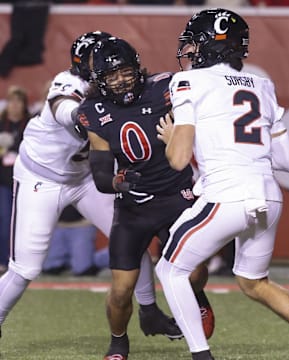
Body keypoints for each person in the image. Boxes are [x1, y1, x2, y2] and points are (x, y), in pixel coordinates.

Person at [155, 8, 289, 360]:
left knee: (169, 269)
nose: (191, 51)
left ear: (210, 44)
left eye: (195, 44)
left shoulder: (188, 82)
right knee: (253, 282)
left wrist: (173, 138)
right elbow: (286, 160)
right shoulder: (263, 85)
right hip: (269, 196)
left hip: (227, 193)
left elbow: (179, 158)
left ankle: (201, 355)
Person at [0, 31, 182, 344]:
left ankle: (149, 310)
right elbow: (64, 109)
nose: (118, 74)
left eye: (120, 66)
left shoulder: (125, 89)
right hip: (40, 179)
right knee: (25, 268)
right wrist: (93, 115)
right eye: (108, 68)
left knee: (131, 237)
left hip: (83, 177)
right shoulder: (71, 84)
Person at [77, 36, 214, 360]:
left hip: (177, 196)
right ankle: (119, 342)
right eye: (112, 76)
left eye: (125, 71)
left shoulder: (166, 87)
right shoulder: (92, 112)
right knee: (122, 290)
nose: (121, 80)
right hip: (134, 206)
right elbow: (99, 173)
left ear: (137, 68)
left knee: (193, 272)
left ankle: (198, 296)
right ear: (100, 81)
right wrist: (117, 183)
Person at [0, 85, 30, 274]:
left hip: (24, 182)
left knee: (25, 222)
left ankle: (24, 261)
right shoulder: (1, 123)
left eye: (18, 101)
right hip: (3, 182)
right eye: (11, 101)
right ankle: (4, 261)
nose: (14, 105)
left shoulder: (30, 124)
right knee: (4, 220)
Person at [42, 205, 99, 276]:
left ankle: (77, 261)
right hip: (57, 226)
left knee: (83, 269)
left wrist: (94, 220)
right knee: (50, 268)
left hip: (82, 225)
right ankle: (67, 262)